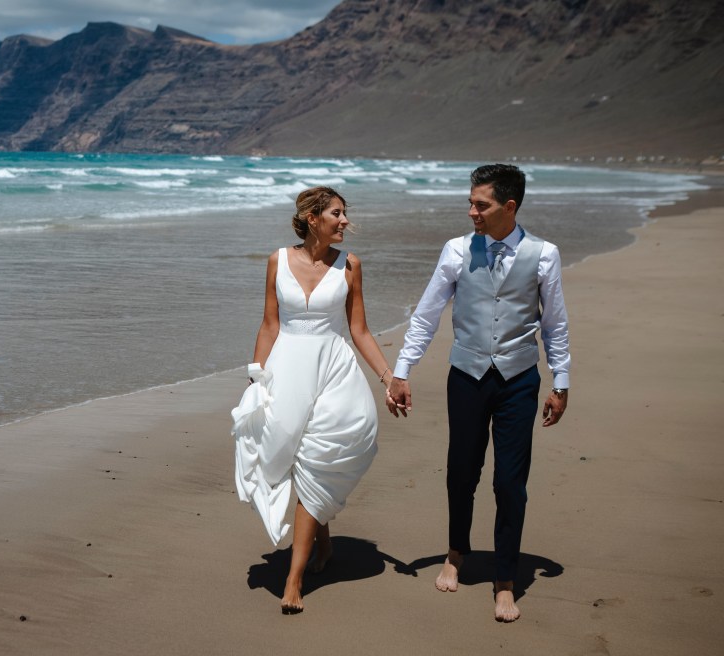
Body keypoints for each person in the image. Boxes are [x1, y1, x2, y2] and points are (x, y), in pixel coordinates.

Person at [385, 164, 570, 622]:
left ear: (509, 207)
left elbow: (555, 326)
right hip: (466, 375)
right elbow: (427, 316)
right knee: (461, 471)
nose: (472, 212)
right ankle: (455, 552)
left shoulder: (544, 254)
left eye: (480, 204)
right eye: (470, 202)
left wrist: (560, 382)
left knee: (510, 482)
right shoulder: (455, 250)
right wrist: (401, 372)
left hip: (520, 379)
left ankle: (505, 580)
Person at [232, 186, 398, 615]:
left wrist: (387, 377)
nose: (345, 222)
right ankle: (323, 543)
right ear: (312, 218)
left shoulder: (350, 266)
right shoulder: (277, 260)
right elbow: (269, 324)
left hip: (334, 373)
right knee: (292, 455)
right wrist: (255, 378)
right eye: (337, 214)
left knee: (318, 454)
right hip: (287, 370)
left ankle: (294, 578)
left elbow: (359, 330)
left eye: (345, 214)